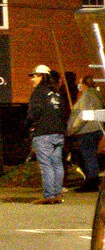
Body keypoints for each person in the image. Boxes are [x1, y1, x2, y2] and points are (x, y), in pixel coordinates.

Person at [26, 64, 66, 205]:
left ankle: (49, 195)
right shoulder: (56, 92)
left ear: (42, 76)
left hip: (44, 133)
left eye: (35, 76)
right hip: (58, 133)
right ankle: (58, 194)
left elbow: (34, 112)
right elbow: (63, 112)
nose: (32, 79)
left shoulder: (39, 92)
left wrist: (28, 125)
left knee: (46, 165)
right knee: (57, 164)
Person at [67, 75, 104, 192]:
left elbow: (84, 115)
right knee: (90, 156)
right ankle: (91, 180)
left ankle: (91, 181)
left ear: (84, 84)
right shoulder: (95, 96)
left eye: (80, 83)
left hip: (88, 130)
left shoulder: (88, 96)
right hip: (94, 129)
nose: (79, 86)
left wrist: (73, 127)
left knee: (88, 156)